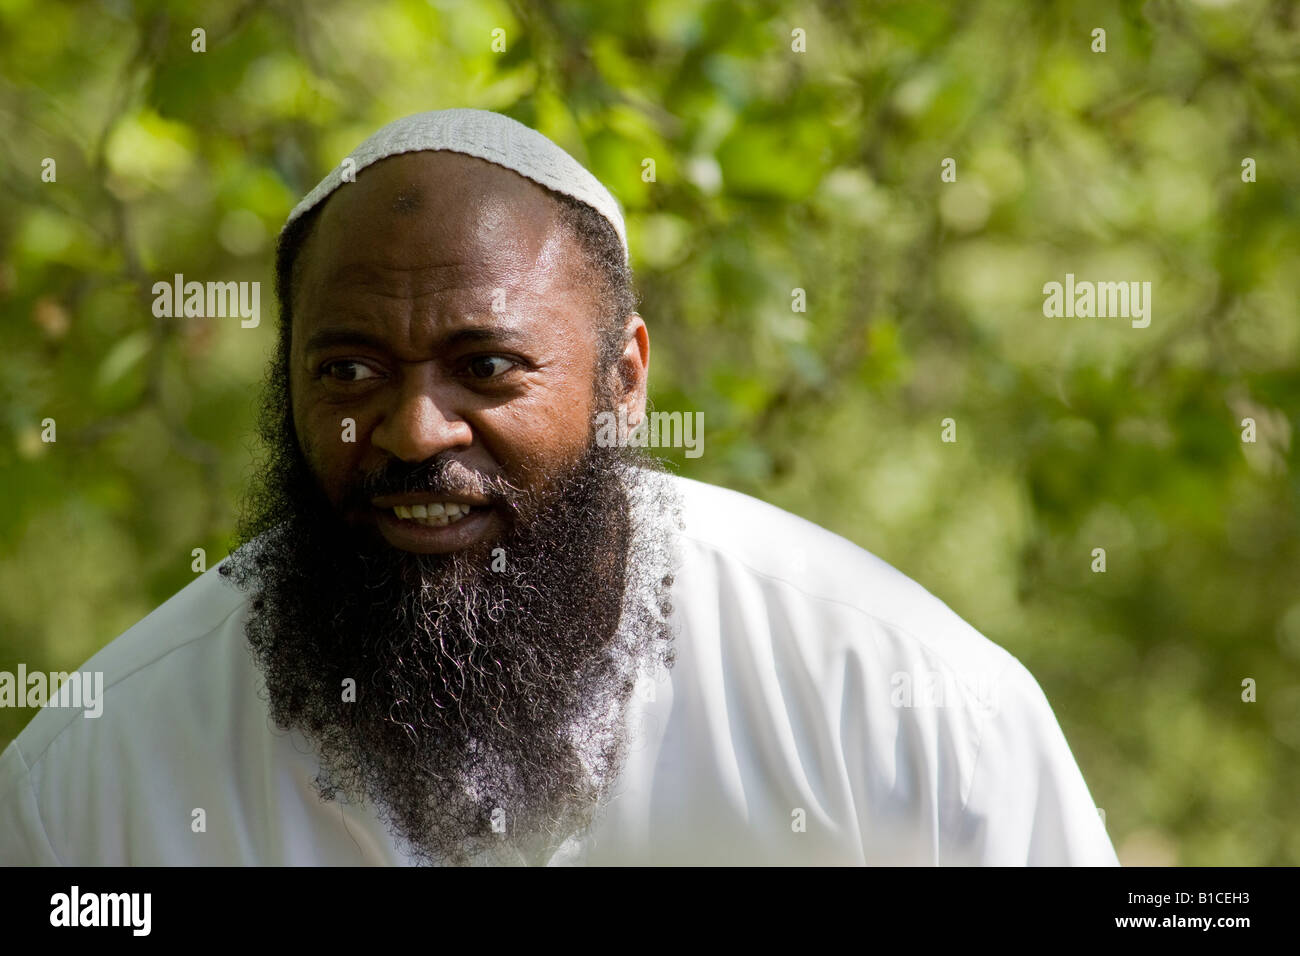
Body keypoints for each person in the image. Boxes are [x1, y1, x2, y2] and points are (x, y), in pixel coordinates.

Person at [0, 109, 1118, 865]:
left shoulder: (897, 706)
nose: (411, 429)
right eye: (347, 370)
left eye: (485, 366)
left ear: (621, 380)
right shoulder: (95, 780)